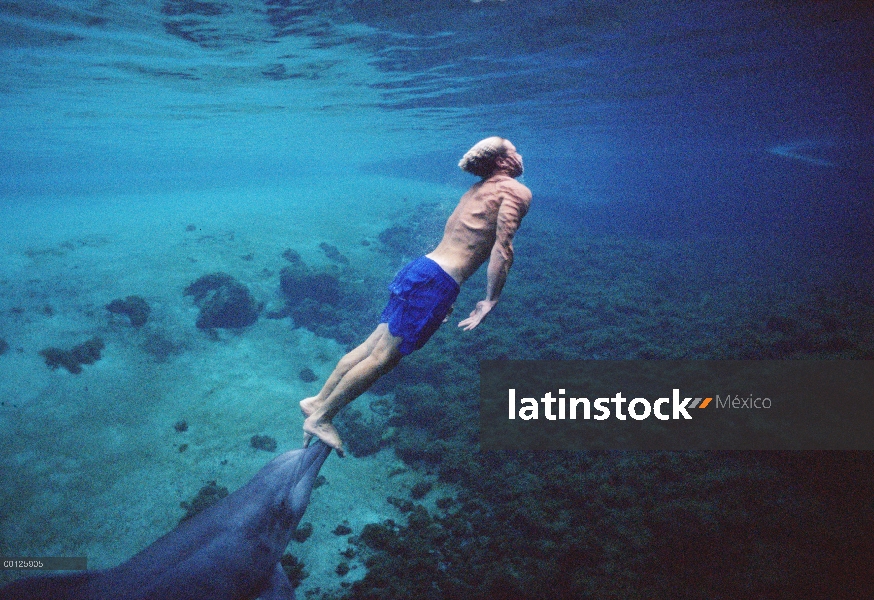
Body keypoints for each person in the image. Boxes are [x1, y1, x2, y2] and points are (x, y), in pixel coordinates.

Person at [300, 137, 532, 455]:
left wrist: (441, 299)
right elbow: (502, 249)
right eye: (514, 151)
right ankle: (322, 417)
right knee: (383, 358)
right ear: (503, 162)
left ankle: (317, 401)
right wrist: (490, 299)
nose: (520, 156)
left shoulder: (476, 190)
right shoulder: (515, 191)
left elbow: (464, 237)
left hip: (422, 269)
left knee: (371, 346)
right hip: (436, 282)